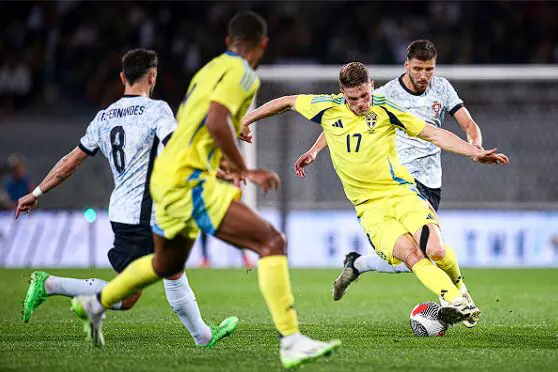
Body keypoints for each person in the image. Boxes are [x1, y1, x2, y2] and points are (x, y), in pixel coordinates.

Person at [67, 12, 340, 369]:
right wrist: (244, 169)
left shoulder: (208, 71)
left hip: (164, 178)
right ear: (263, 45)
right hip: (189, 180)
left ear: (228, 42)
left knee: (166, 263)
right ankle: (291, 341)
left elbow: (199, 125)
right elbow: (214, 119)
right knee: (272, 242)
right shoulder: (244, 74)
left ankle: (95, 303)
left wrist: (224, 153)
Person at [241, 61, 509, 328]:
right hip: (369, 208)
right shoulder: (326, 107)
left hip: (401, 193)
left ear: (371, 86)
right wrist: (246, 120)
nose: (360, 104)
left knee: (436, 250)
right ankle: (454, 300)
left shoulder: (385, 108)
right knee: (411, 255)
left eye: (365, 95)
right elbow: (287, 101)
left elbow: (433, 134)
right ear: (342, 94)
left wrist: (475, 152)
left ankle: (461, 292)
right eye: (353, 99)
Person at [16, 49, 238, 348]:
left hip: (123, 212)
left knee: (155, 279)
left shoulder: (103, 117)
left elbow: (71, 161)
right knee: (146, 284)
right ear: (153, 76)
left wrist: (36, 192)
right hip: (142, 213)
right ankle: (51, 285)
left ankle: (203, 336)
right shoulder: (156, 110)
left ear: (122, 77)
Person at [291, 40, 485, 321]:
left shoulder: (442, 88)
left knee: (427, 253)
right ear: (406, 65)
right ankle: (456, 298)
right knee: (417, 252)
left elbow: (466, 123)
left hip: (430, 178)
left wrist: (475, 146)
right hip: (396, 176)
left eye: (429, 69)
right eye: (418, 68)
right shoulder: (382, 94)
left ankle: (358, 264)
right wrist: (316, 150)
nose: (423, 75)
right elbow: (343, 123)